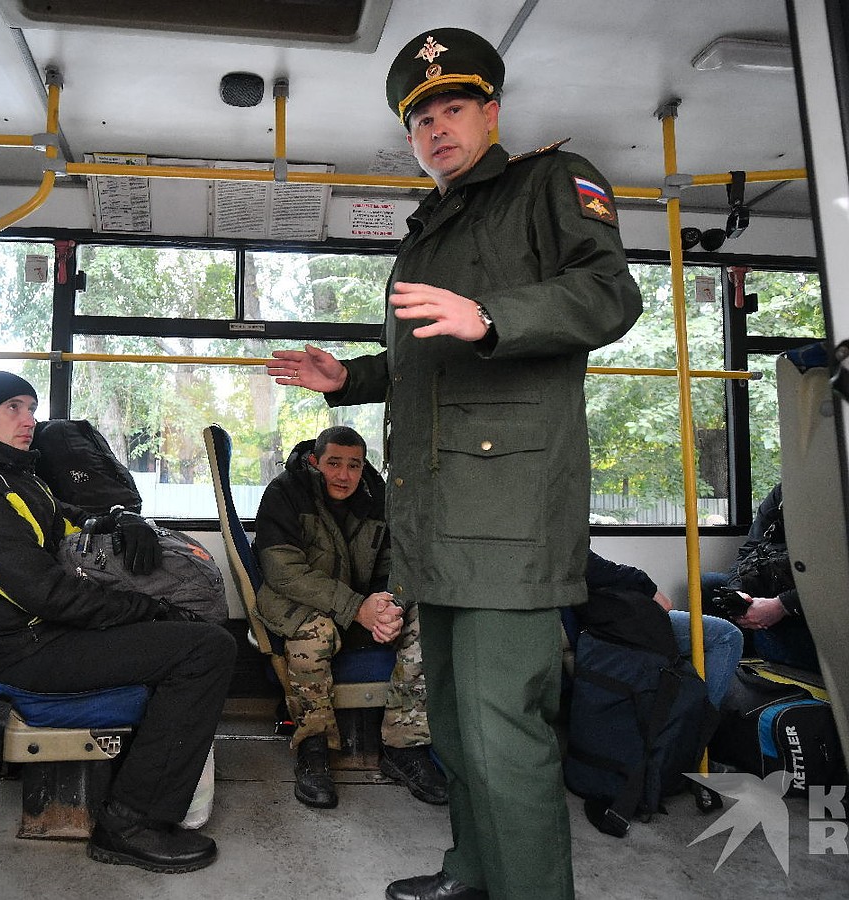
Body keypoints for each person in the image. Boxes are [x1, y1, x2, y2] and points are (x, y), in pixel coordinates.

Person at [268, 27, 642, 900]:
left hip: (509, 519)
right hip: (436, 527)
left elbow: (609, 293)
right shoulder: (433, 225)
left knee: (505, 730)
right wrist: (349, 378)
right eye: (421, 117)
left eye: (454, 108)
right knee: (458, 727)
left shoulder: (547, 182)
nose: (437, 128)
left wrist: (495, 317)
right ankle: (473, 869)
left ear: (491, 113)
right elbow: (424, 364)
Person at [0, 371, 236, 874]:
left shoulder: (16, 477)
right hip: (33, 648)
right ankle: (130, 823)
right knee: (207, 650)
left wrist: (121, 517)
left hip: (56, 632)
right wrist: (148, 609)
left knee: (198, 632)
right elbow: (45, 594)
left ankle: (159, 792)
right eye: (14, 408)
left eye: (31, 407)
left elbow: (73, 522)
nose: (29, 420)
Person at [253, 425, 447, 809]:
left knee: (424, 621)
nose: (344, 475)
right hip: (297, 599)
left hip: (358, 602)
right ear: (315, 461)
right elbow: (283, 572)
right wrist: (358, 608)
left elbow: (396, 562)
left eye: (354, 465)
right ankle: (313, 747)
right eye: (334, 463)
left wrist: (389, 606)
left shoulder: (377, 497)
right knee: (315, 635)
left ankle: (404, 747)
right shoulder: (284, 493)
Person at [584, 550, 743, 705]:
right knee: (727, 636)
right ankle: (701, 723)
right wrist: (645, 584)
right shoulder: (565, 529)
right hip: (601, 617)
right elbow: (589, 566)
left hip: (590, 611)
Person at [702, 483, 819, 672]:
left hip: (810, 609)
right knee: (710, 585)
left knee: (766, 641)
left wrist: (782, 605)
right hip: (774, 589)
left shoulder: (838, 499)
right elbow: (750, 550)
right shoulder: (783, 493)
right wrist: (737, 592)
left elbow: (836, 583)